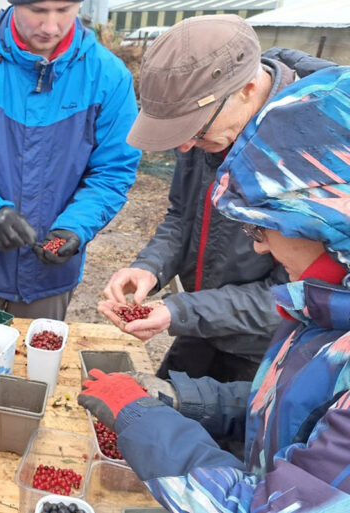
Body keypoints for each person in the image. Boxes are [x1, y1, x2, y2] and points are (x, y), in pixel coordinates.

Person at [79, 66, 350, 513]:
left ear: (325, 220)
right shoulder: (322, 307)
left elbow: (258, 505)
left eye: (264, 225)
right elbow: (285, 408)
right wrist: (179, 398)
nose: (257, 244)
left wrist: (143, 419)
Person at [98, 15, 334, 382]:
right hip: (203, 325)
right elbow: (181, 215)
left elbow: (303, 293)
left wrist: (180, 312)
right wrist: (150, 267)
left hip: (267, 346)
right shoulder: (209, 126)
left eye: (194, 131)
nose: (184, 145)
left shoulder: (316, 152)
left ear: (248, 87)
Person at [0, 0, 141, 320]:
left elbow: (113, 172)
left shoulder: (109, 77)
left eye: (64, 10)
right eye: (38, 10)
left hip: (51, 277)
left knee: (34, 366)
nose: (51, 26)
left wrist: (76, 227)